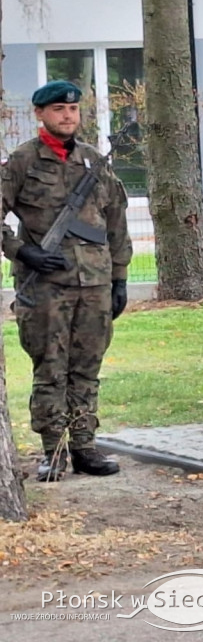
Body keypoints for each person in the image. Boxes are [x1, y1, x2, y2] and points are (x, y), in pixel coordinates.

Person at [2, 80, 133, 482]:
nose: (67, 116)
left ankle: (85, 447)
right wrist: (23, 251)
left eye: (73, 110)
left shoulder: (95, 161)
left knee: (87, 368)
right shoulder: (23, 162)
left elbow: (116, 221)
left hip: (93, 284)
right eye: (58, 109)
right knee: (51, 368)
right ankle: (53, 451)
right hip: (46, 287)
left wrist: (119, 277)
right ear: (40, 114)